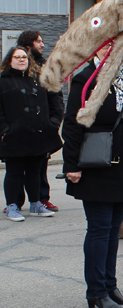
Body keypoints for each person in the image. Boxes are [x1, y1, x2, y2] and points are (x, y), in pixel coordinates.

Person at [62, 43, 123, 308]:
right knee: (100, 229)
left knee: (113, 229)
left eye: (117, 43)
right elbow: (73, 122)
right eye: (106, 43)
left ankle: (110, 285)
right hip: (96, 162)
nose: (112, 48)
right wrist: (71, 164)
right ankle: (96, 291)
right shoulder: (86, 78)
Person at [0, 46, 63, 221]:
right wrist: (5, 130)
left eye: (24, 57)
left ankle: (35, 204)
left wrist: (53, 123)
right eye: (17, 57)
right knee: (14, 172)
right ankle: (12, 206)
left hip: (39, 134)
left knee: (35, 171)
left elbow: (54, 101)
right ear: (9, 60)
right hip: (14, 136)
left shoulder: (38, 79)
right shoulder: (3, 81)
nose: (21, 60)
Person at [17, 30, 59, 212]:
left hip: (42, 126)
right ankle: (15, 201)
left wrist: (54, 121)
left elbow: (56, 97)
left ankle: (42, 199)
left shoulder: (46, 68)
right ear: (28, 46)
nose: (42, 45)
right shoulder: (12, 69)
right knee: (16, 167)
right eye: (38, 42)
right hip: (18, 128)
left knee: (41, 166)